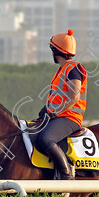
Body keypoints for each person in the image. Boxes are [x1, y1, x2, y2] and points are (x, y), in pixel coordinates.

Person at [36, 29, 88, 180]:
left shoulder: (74, 69)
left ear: (55, 51)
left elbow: (74, 98)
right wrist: (46, 110)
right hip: (58, 116)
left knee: (45, 139)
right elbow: (58, 98)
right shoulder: (63, 69)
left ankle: (66, 174)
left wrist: (54, 112)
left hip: (70, 118)